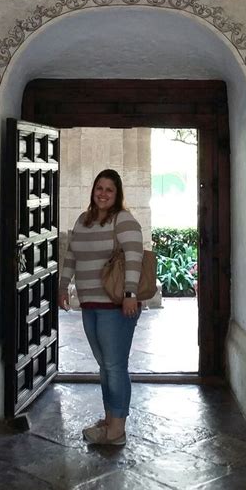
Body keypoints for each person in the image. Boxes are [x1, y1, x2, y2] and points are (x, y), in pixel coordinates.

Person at [59, 169, 143, 446]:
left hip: (116, 305)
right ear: (93, 190)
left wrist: (130, 294)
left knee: (115, 366)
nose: (103, 193)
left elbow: (134, 259)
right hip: (90, 303)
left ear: (117, 194)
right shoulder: (83, 221)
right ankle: (109, 420)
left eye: (109, 189)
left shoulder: (124, 220)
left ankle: (117, 429)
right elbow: (71, 256)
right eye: (99, 188)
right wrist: (63, 286)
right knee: (104, 366)